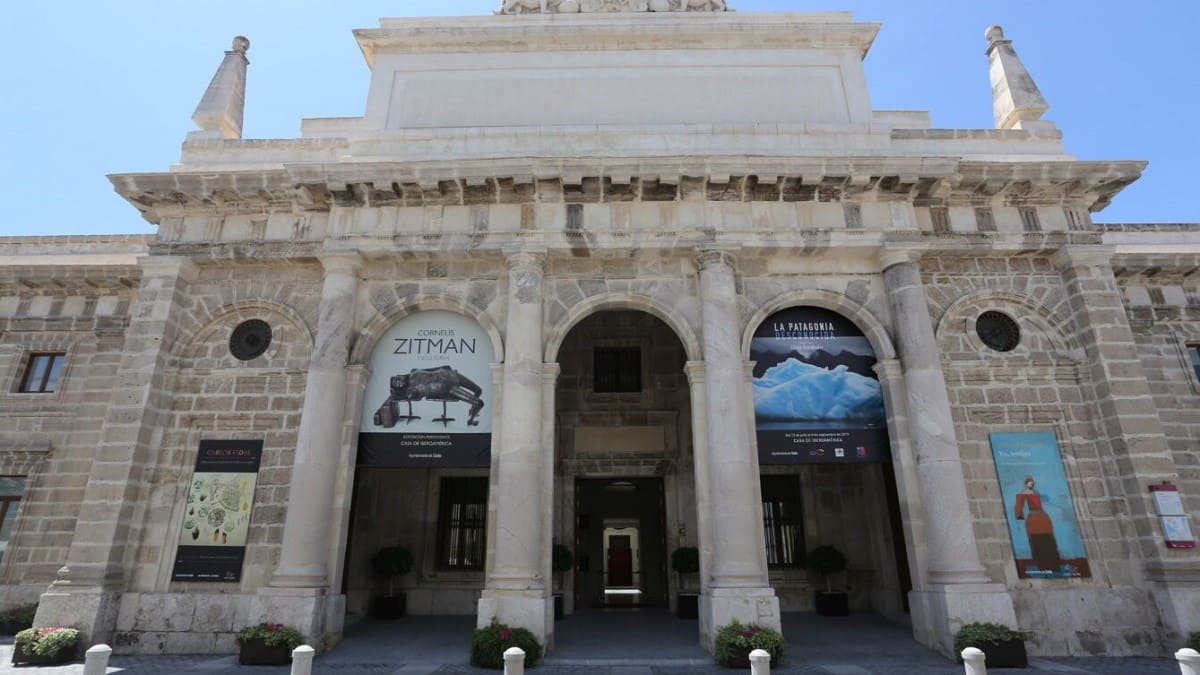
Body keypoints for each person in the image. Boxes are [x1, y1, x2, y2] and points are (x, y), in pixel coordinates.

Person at [1014, 476, 1062, 574]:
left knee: (1049, 540)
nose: (1031, 484)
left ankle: (1054, 565)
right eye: (1029, 482)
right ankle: (1043, 565)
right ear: (1026, 483)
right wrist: (1019, 515)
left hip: (1043, 518)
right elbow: (1019, 505)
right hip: (1034, 519)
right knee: (1037, 541)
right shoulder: (1024, 494)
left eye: (1032, 482)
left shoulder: (1036, 493)